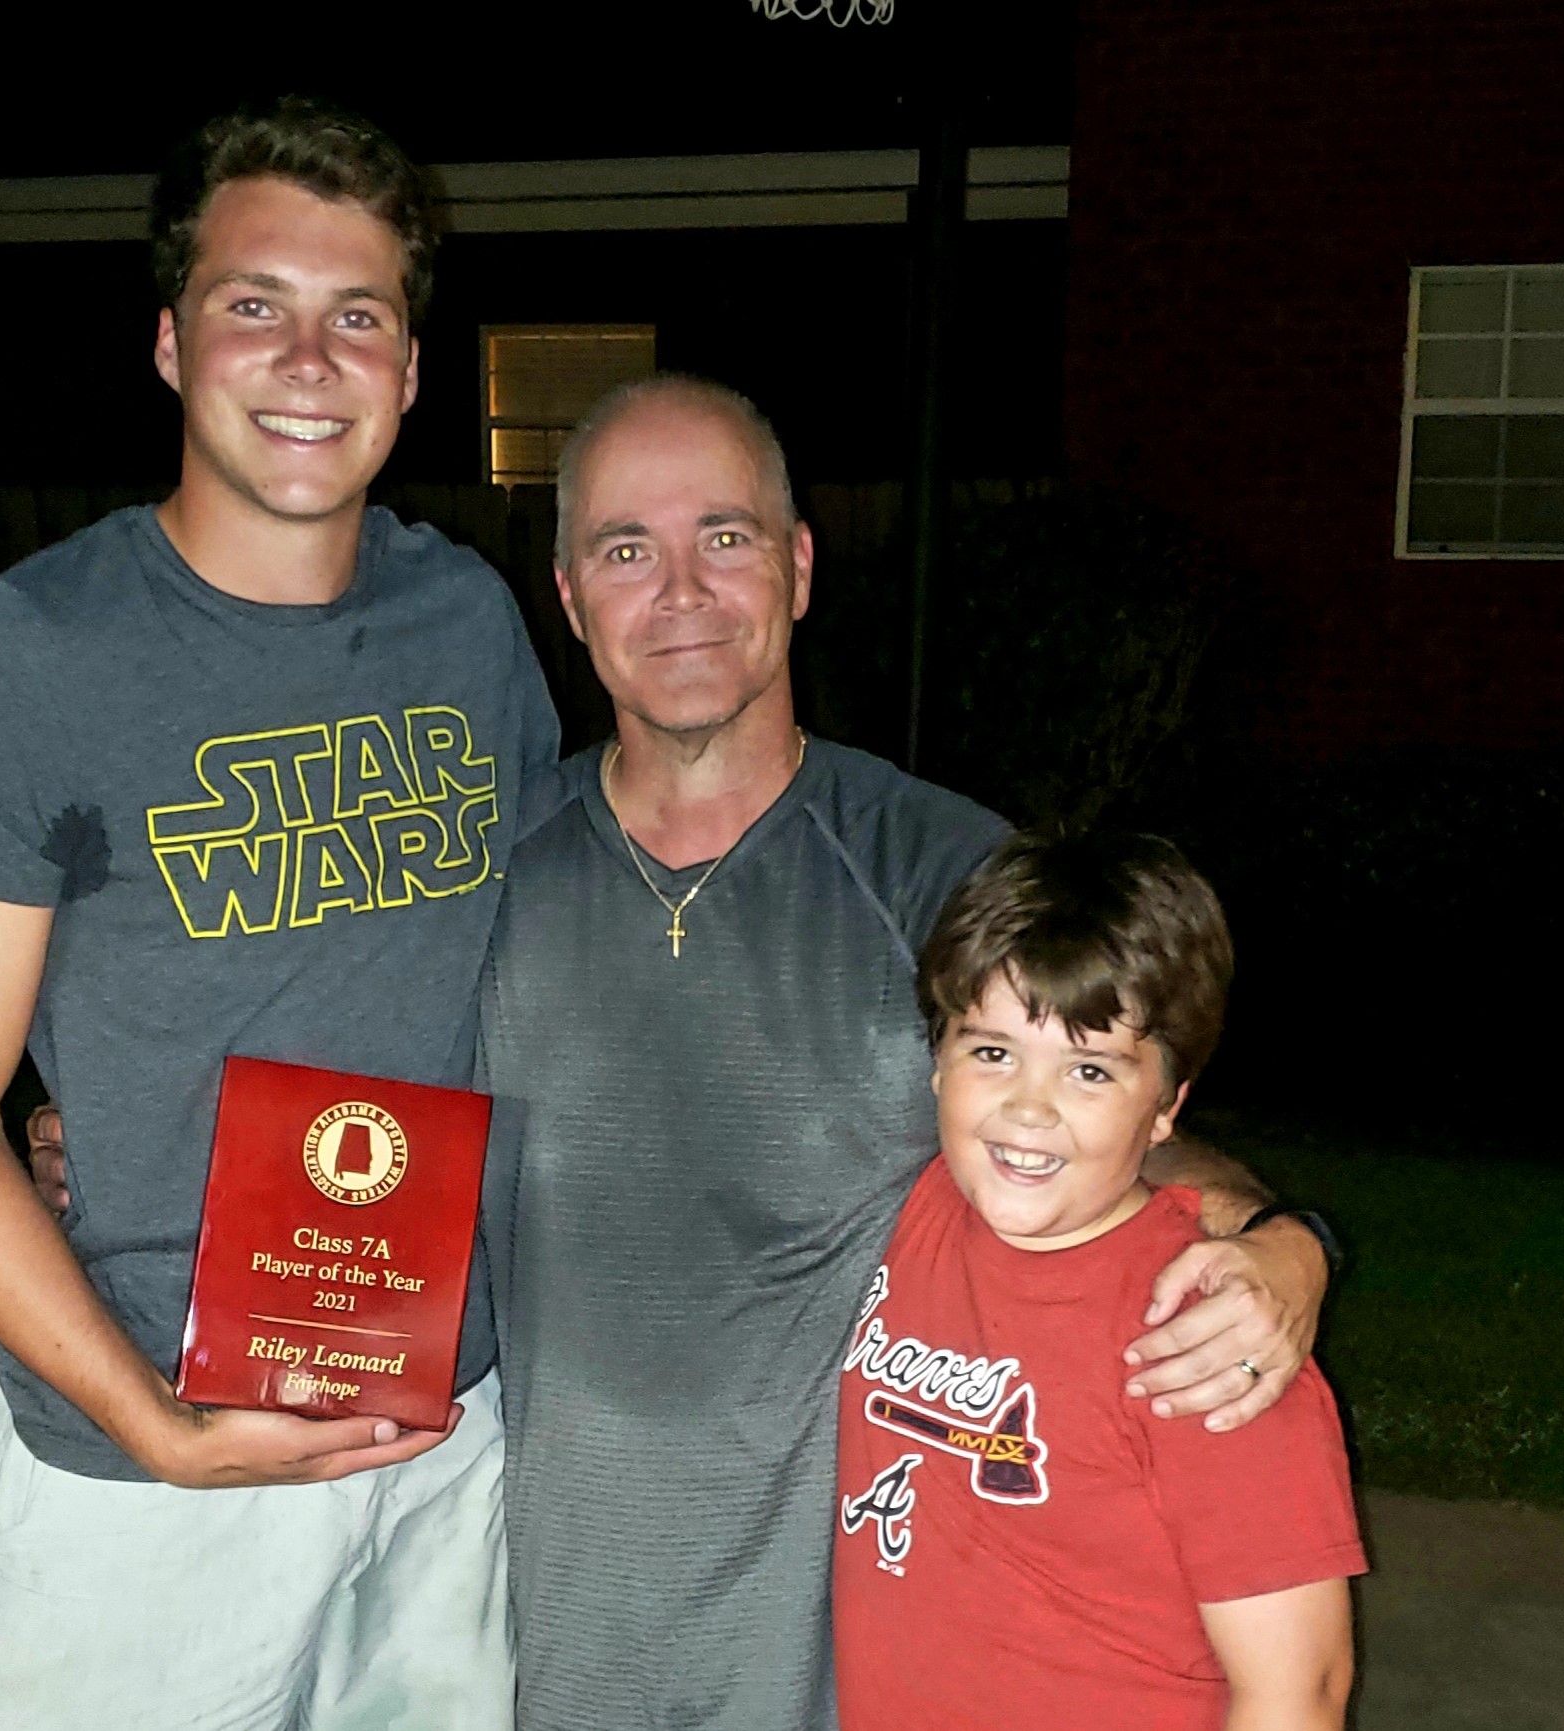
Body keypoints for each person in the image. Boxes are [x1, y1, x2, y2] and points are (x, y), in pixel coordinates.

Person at [470, 374, 1337, 1730]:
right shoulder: (480, 878)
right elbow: (343, 1140)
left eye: (728, 537)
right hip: (541, 1629)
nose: (682, 589)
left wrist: (1285, 1242)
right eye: (627, 550)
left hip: (848, 1653)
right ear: (571, 594)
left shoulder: (943, 873)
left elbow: (1106, 1121)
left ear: (800, 565)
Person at [0, 97, 556, 1730]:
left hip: (450, 1433)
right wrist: (152, 1419)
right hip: (152, 1476)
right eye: (257, 305)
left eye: (357, 315)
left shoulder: (468, 626)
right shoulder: (20, 666)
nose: (310, 358)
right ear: (171, 343)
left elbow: (526, 980)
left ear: (411, 371)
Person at [833, 830, 1365, 1731]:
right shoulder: (918, 1207)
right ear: (935, 1059)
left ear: (1167, 1106)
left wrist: (1296, 1242)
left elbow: (1299, 1691)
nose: (1027, 1108)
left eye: (1089, 1069)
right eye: (992, 1052)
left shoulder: (1208, 1339)